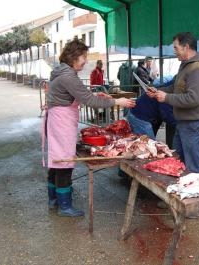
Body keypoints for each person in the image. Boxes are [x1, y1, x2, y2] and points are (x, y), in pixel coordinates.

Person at [45, 38, 135, 217]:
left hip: (57, 121)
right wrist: (118, 101)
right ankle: (64, 206)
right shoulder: (68, 76)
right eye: (83, 57)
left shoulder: (62, 72)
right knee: (63, 162)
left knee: (57, 159)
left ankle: (54, 199)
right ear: (74, 57)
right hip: (61, 123)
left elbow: (81, 94)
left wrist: (94, 94)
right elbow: (89, 100)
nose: (85, 61)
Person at [147, 32, 199, 173]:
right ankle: (186, 190)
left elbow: (193, 99)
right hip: (184, 123)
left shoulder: (197, 69)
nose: (174, 51)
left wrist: (166, 98)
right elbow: (176, 88)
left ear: (186, 47)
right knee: (178, 161)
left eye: (176, 48)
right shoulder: (185, 66)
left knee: (195, 166)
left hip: (194, 124)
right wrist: (158, 91)